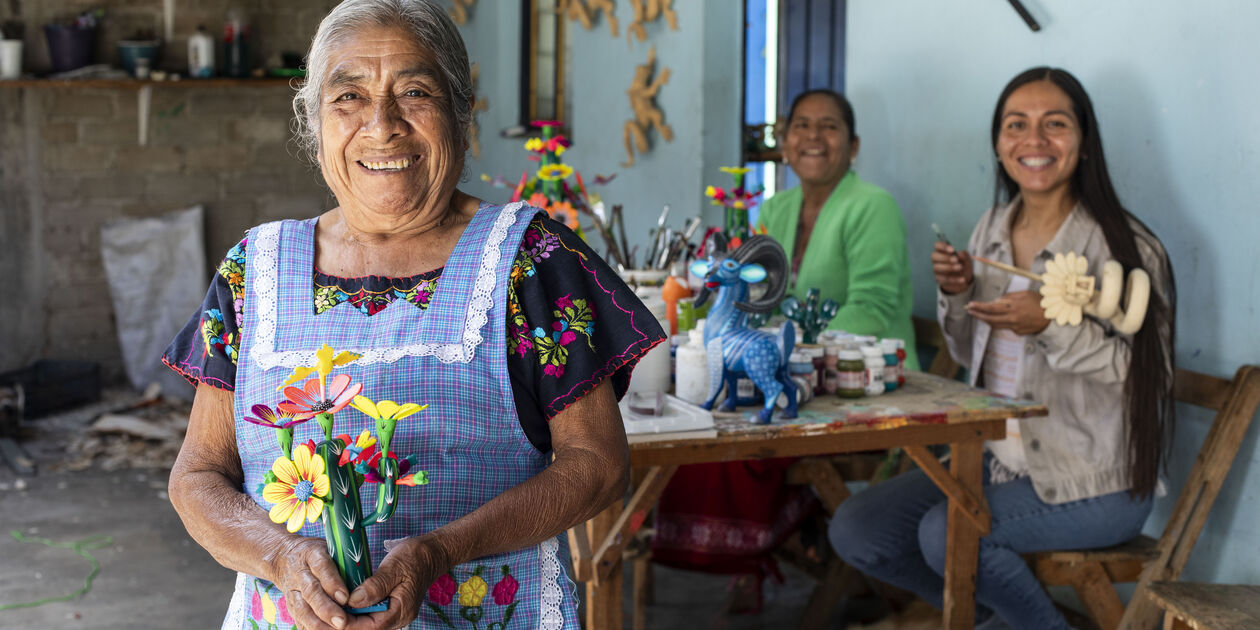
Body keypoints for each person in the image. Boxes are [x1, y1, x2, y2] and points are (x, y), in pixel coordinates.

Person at [163, 2, 665, 629]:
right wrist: (281, 555)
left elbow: (598, 465)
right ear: (315, 122)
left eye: (415, 93)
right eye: (349, 96)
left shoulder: (530, 259)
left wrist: (439, 552)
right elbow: (198, 476)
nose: (382, 126)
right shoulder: (253, 270)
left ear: (461, 115)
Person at [828, 67, 1176, 629]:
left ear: (1084, 142)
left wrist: (1052, 325)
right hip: (996, 463)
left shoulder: (1126, 247)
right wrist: (957, 293)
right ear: (998, 143)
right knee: (859, 528)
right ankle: (1007, 619)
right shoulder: (991, 227)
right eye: (1016, 125)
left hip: (1098, 482)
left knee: (947, 531)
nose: (1034, 140)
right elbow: (972, 353)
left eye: (1055, 124)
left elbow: (1149, 381)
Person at [756, 88, 919, 369]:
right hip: (800, 367)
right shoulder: (775, 208)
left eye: (829, 126)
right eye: (801, 125)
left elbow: (870, 310)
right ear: (785, 144)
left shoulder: (873, 205)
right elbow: (764, 293)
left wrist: (800, 346)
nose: (813, 136)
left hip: (871, 372)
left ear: (853, 146)